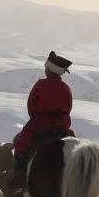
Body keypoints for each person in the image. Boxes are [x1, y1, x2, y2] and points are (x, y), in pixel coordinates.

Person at [9, 51, 74, 189]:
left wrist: (38, 116)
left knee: (20, 142)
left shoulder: (40, 85)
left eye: (46, 67)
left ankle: (19, 175)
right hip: (61, 126)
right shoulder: (65, 88)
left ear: (48, 69)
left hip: (40, 124)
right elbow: (68, 108)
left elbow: (31, 105)